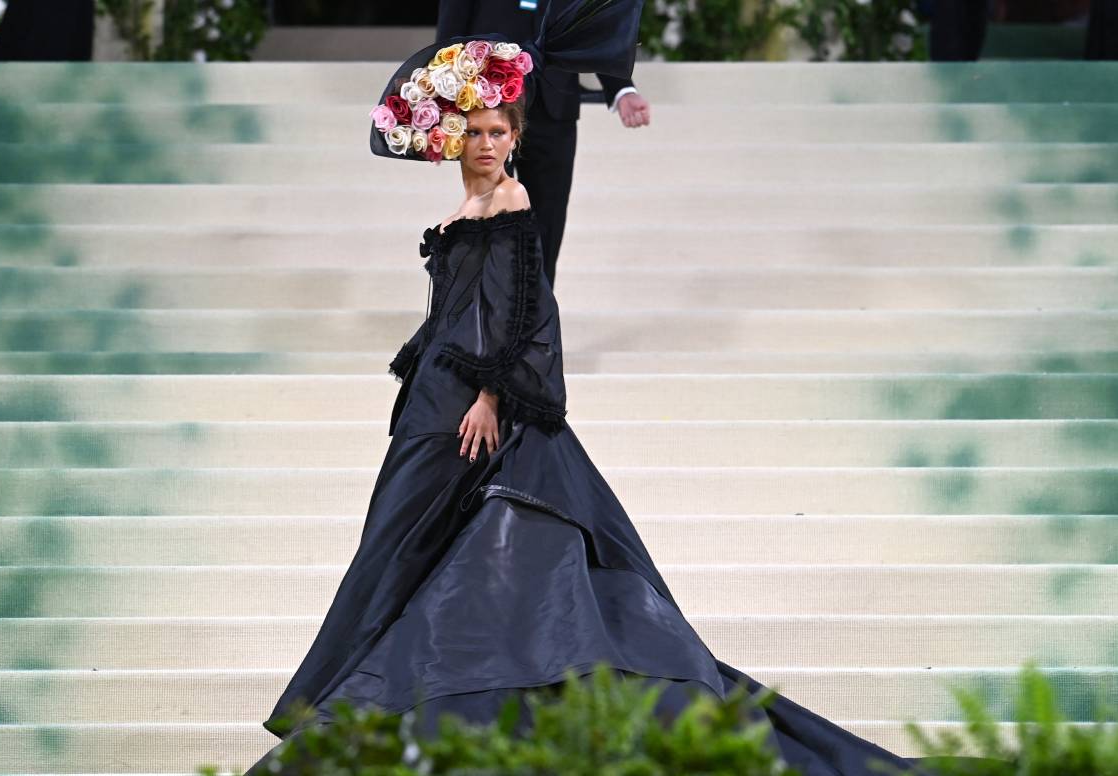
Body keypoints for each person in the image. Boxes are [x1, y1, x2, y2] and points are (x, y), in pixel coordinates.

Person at [247, 6, 960, 774]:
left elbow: (525, 308)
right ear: (456, 139)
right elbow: (451, 276)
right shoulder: (463, 204)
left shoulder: (512, 204)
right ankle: (387, 693)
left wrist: (492, 397)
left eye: (499, 133)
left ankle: (443, 697)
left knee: (443, 537)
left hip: (472, 400)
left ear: (517, 139)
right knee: (399, 538)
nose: (488, 145)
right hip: (434, 392)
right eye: (476, 132)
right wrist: (421, 354)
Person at [437, 0, 651, 290]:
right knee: (487, 220)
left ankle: (537, 326)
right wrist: (442, 102)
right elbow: (451, 30)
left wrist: (621, 88)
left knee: (546, 228)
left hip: (555, 106)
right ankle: (484, 323)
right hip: (487, 104)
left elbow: (588, 23)